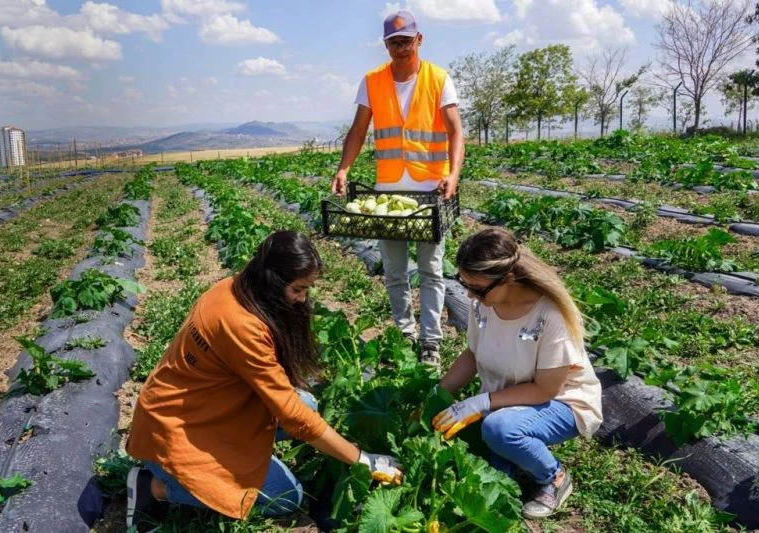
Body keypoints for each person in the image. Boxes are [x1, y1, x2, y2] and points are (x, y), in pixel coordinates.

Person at [124, 231, 401, 531]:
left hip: (204, 410)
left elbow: (290, 399)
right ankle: (155, 487)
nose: (303, 298)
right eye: (298, 289)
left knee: (306, 401)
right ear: (273, 281)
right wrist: (362, 459)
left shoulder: (237, 287)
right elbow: (296, 419)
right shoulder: (242, 326)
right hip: (175, 431)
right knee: (286, 497)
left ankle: (240, 459)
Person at [431, 228, 602, 519]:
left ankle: (555, 477)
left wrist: (480, 402)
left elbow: (545, 389)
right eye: (465, 284)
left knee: (499, 430)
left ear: (508, 278)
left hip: (561, 403)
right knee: (483, 466)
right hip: (505, 401)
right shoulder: (482, 305)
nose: (470, 294)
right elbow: (472, 355)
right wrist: (435, 395)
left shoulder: (549, 315)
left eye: (477, 288)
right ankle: (513, 463)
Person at [330, 10, 465, 368]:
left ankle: (430, 342)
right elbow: (358, 131)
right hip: (387, 192)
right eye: (394, 42)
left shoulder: (439, 79)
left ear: (419, 40)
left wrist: (452, 173)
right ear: (386, 44)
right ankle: (405, 333)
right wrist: (344, 168)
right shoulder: (372, 81)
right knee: (393, 271)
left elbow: (455, 132)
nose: (401, 47)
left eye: (406, 40)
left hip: (429, 190)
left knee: (432, 270)